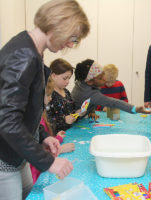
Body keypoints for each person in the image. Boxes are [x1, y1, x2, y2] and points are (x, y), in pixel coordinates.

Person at [0, 0, 90, 199]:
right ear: (57, 25)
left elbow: (25, 112)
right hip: (4, 158)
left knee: (28, 191)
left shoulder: (33, 51)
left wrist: (42, 135)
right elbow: (7, 121)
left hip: (17, 155)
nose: (69, 44)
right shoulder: (23, 55)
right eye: (71, 37)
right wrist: (48, 162)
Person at [30, 77, 75, 184]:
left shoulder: (40, 114)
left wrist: (56, 139)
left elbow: (42, 141)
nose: (50, 98)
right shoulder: (33, 118)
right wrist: (60, 150)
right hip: (35, 176)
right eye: (48, 95)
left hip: (41, 170)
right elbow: (33, 151)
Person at [71, 59, 151, 116]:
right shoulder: (90, 94)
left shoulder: (82, 80)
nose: (105, 79)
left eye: (103, 73)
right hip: (75, 120)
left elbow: (88, 102)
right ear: (90, 82)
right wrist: (135, 109)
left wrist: (91, 111)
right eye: (100, 78)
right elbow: (113, 102)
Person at [47, 58, 81, 133]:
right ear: (53, 76)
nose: (68, 82)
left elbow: (71, 112)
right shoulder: (48, 95)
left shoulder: (66, 92)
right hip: (56, 136)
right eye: (65, 78)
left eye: (69, 78)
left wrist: (77, 114)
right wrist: (64, 120)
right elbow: (46, 122)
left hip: (70, 131)